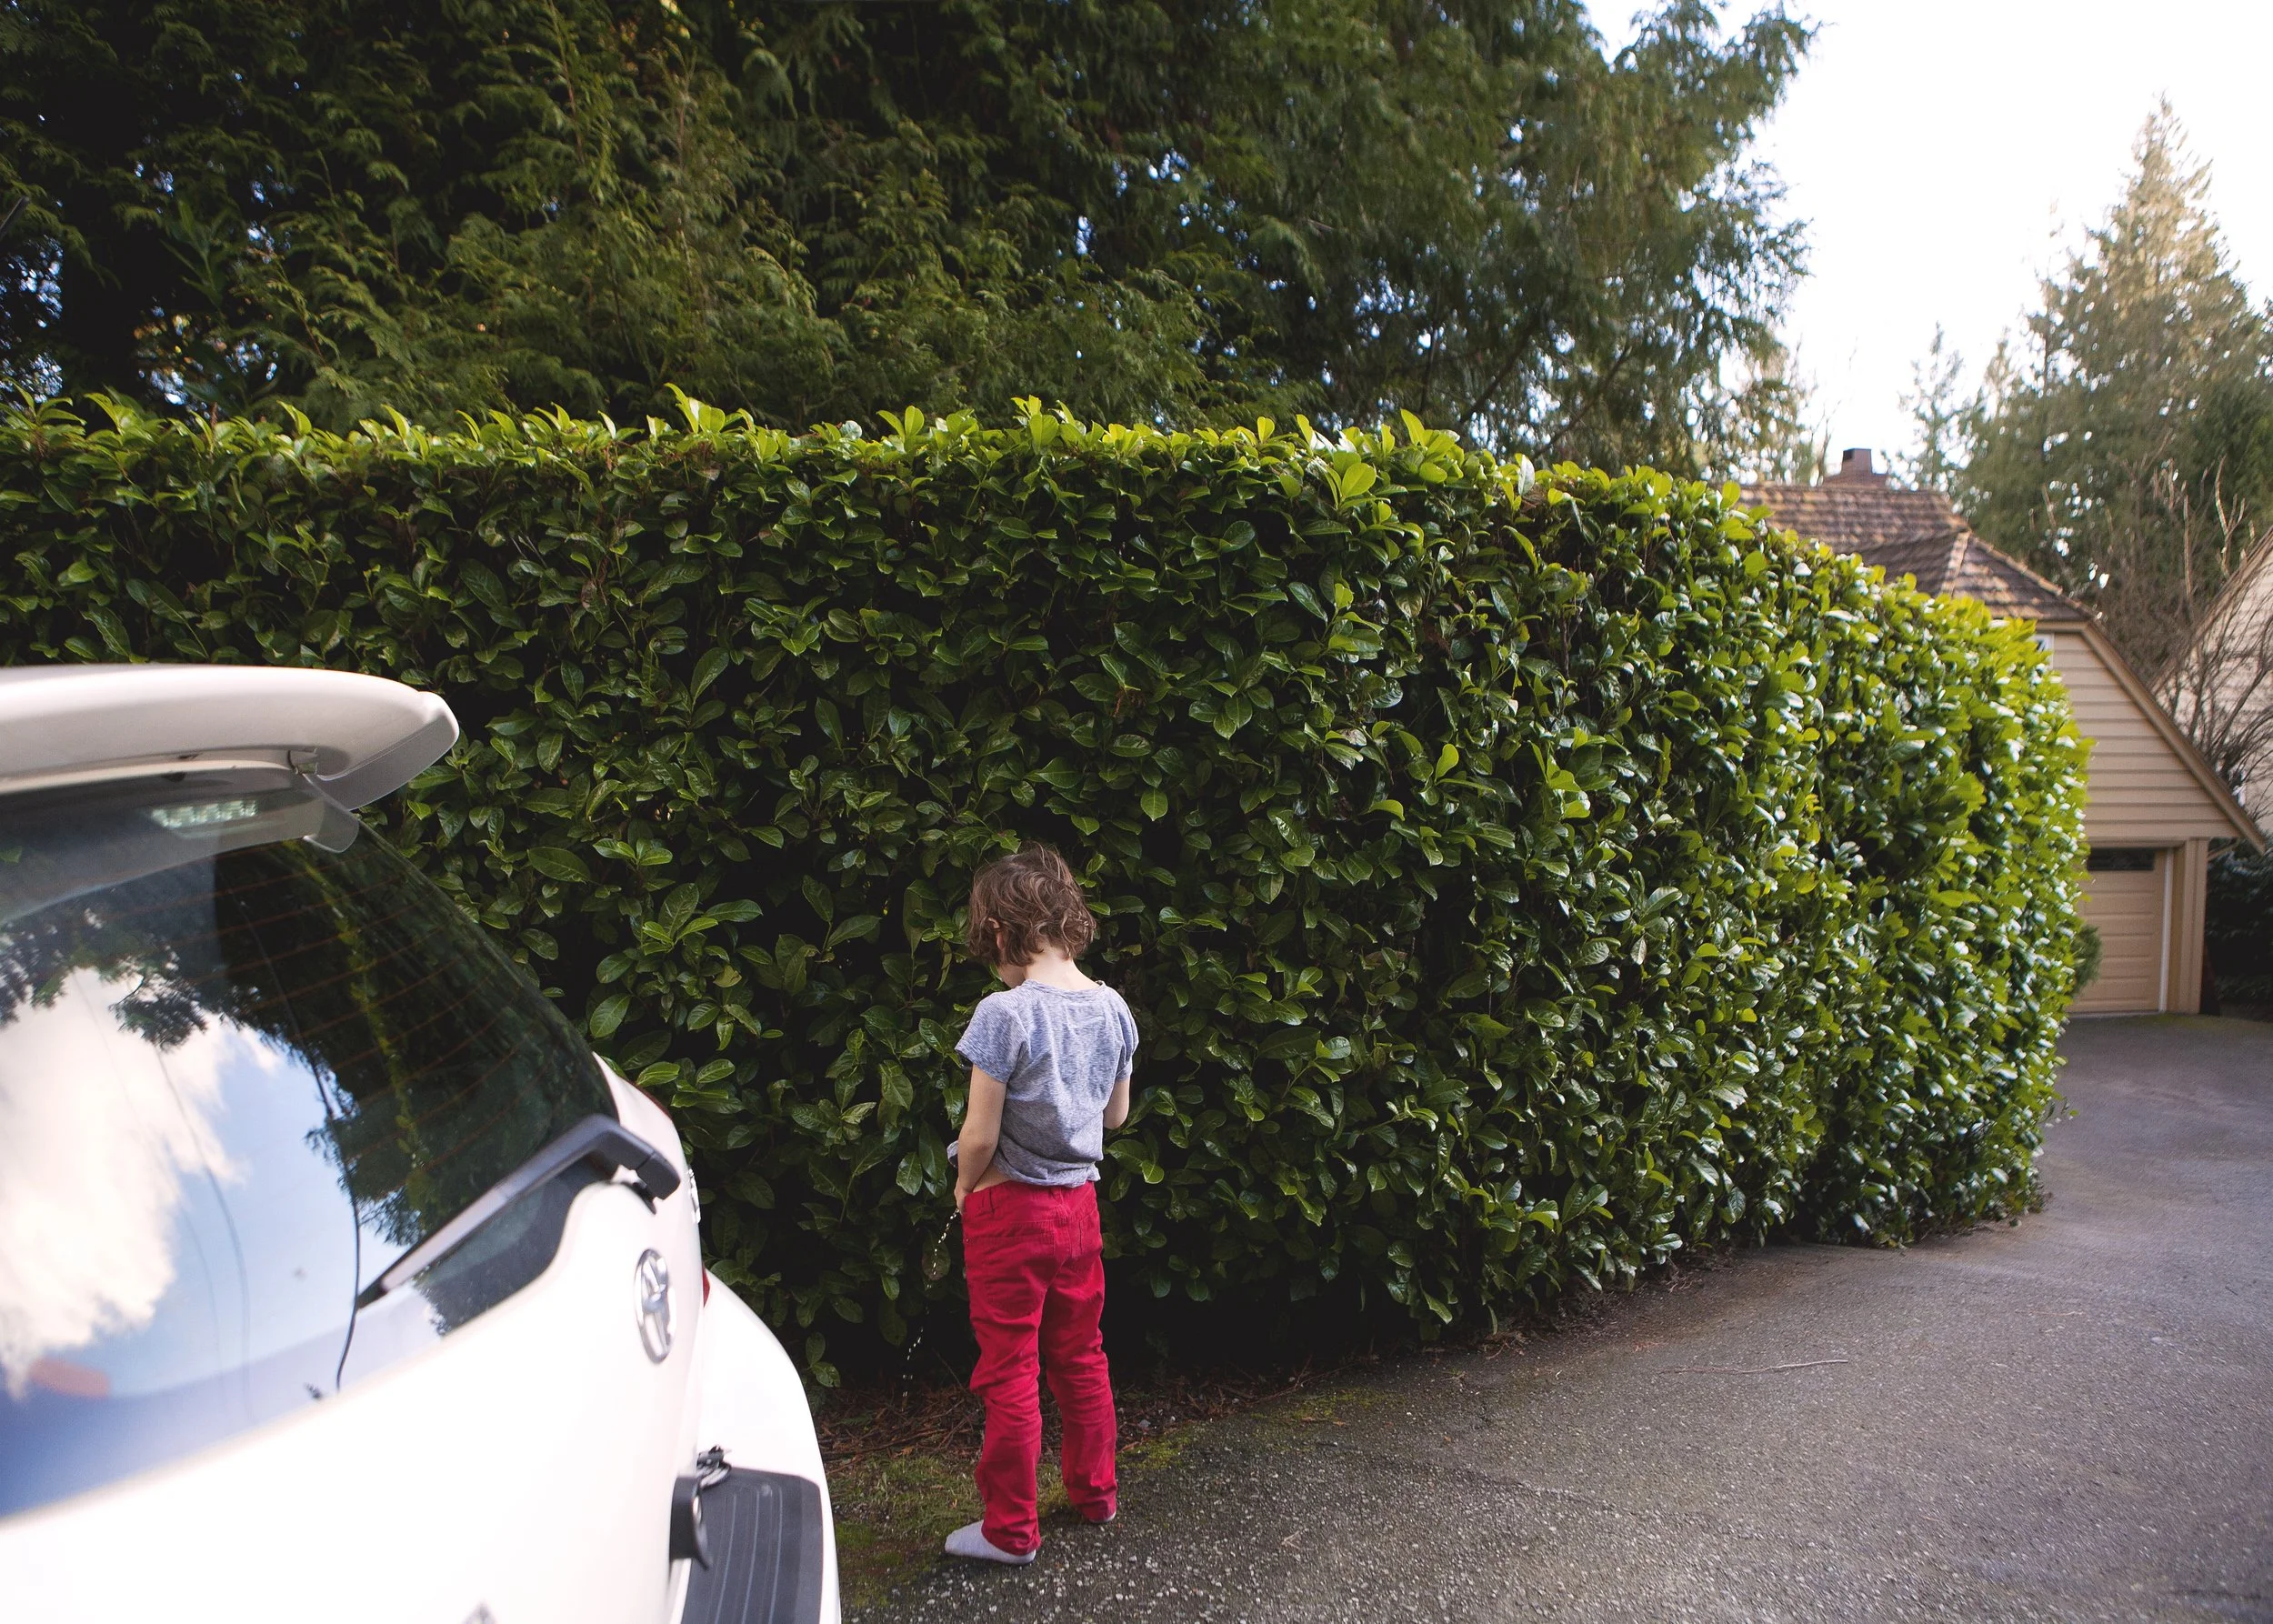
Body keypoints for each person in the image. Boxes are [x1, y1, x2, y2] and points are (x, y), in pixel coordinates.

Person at [942, 844, 1136, 1565]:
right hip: (1079, 1212)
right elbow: (1114, 1119)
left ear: (999, 931)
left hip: (1010, 1216)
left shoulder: (1004, 1013)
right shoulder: (1113, 1008)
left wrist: (965, 1182)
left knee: (1011, 1369)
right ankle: (1096, 1495)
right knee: (1082, 1356)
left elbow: (980, 1133)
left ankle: (1010, 1531)